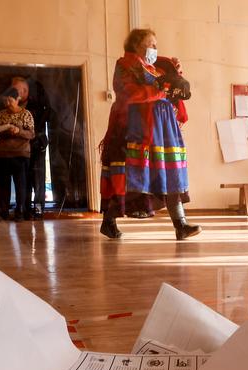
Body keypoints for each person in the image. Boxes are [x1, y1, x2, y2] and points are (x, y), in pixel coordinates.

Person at [99, 28, 200, 240]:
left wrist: (176, 75)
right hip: (134, 130)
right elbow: (129, 94)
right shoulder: (124, 66)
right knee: (128, 178)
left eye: (156, 44)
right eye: (151, 44)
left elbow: (172, 92)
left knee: (171, 173)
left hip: (163, 129)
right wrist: (161, 90)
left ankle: (181, 225)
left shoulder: (157, 69)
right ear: (137, 45)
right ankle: (108, 221)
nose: (155, 48)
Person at [0, 87, 35, 221]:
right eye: (5, 101)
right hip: (3, 155)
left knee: (21, 186)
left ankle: (20, 212)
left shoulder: (26, 114)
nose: (7, 103)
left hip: (20, 155)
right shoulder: (1, 114)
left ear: (17, 99)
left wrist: (18, 131)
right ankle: (3, 213)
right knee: (3, 186)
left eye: (10, 100)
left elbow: (31, 134)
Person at [12, 76, 51, 219]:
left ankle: (39, 211)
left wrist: (35, 138)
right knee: (24, 181)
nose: (13, 93)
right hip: (21, 150)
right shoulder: (13, 107)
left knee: (38, 181)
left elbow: (41, 124)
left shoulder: (37, 106)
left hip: (37, 146)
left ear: (24, 90)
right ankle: (26, 210)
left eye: (16, 90)